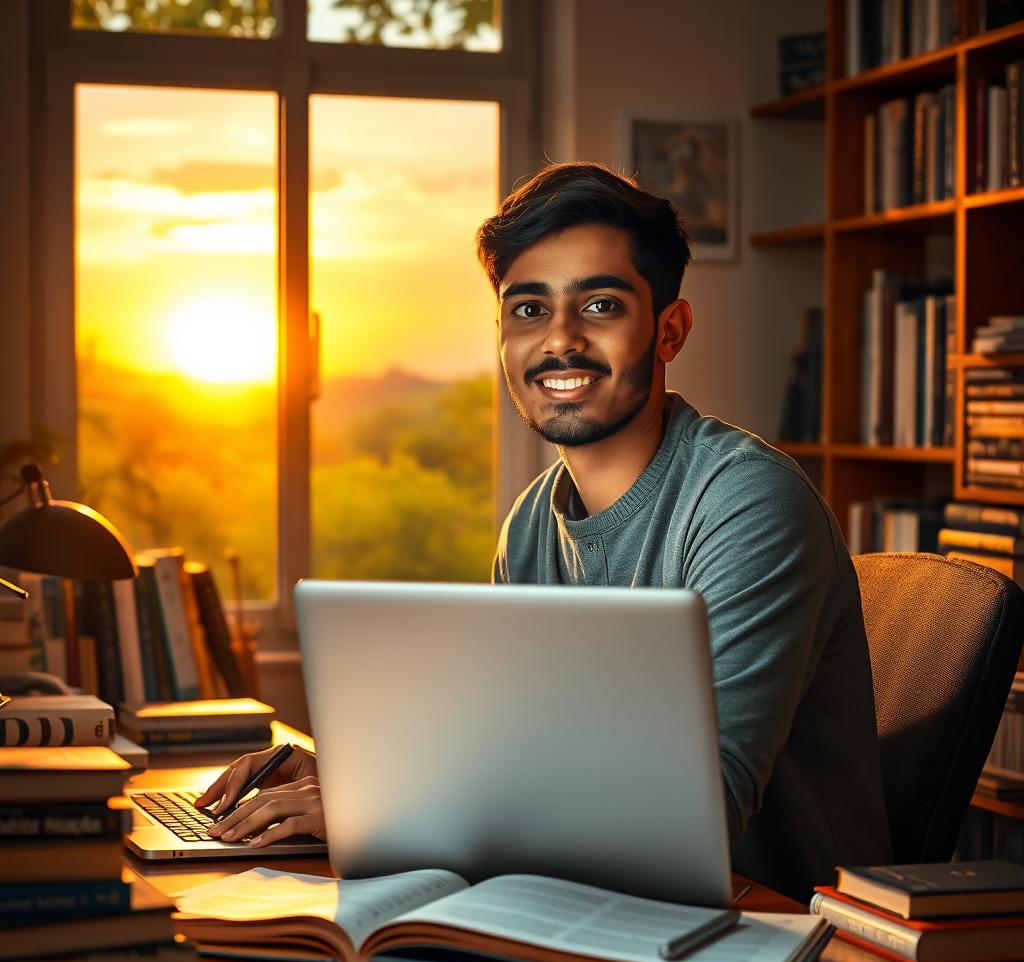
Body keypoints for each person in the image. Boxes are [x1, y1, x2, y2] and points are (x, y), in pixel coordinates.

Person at [197, 161, 892, 901]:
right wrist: (364, 781)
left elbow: (699, 816)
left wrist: (390, 812)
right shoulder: (532, 521)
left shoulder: (748, 503)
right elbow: (520, 755)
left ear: (669, 331)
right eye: (528, 310)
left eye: (598, 306)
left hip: (772, 934)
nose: (559, 341)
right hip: (592, 904)